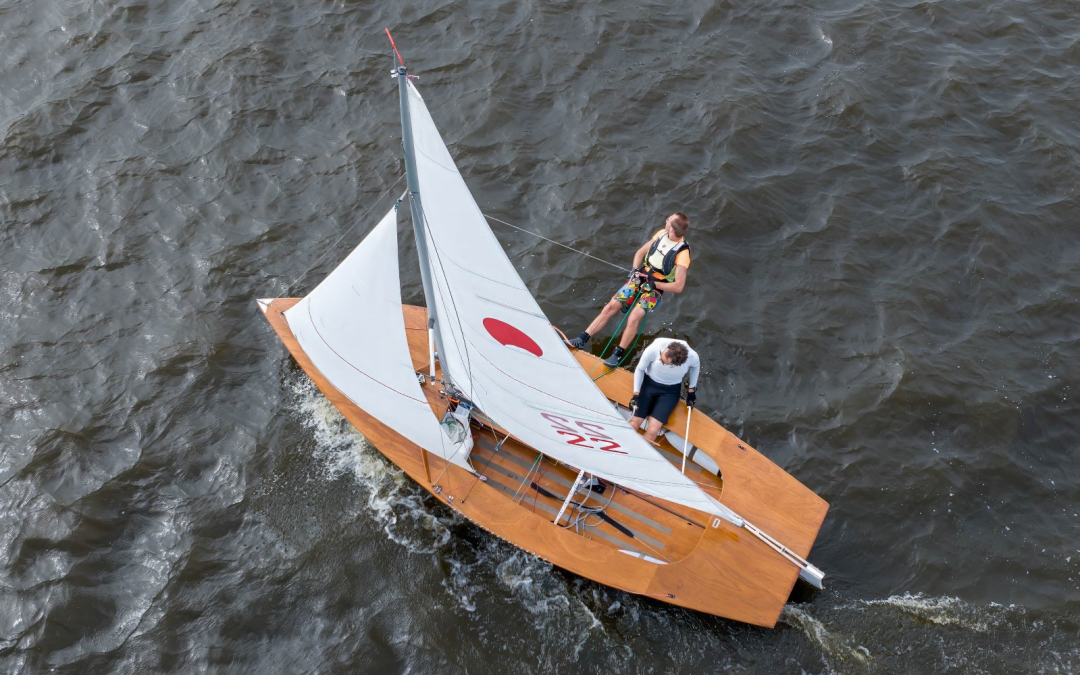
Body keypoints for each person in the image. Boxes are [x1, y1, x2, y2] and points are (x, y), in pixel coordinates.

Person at [566, 213, 691, 367]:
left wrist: (655, 285)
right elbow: (640, 252)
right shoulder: (661, 234)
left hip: (656, 287)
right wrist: (634, 268)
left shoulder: (683, 254)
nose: (665, 222)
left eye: (667, 221)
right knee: (610, 307)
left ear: (672, 229)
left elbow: (678, 286)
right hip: (640, 276)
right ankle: (582, 339)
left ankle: (617, 355)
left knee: (634, 317)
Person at [628, 338, 699, 442]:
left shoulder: (692, 356)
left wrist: (691, 391)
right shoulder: (654, 348)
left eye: (663, 362)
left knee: (652, 431)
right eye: (662, 357)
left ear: (676, 364)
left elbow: (695, 367)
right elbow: (640, 369)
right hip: (649, 385)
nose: (660, 359)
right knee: (633, 424)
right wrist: (635, 394)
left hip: (670, 392)